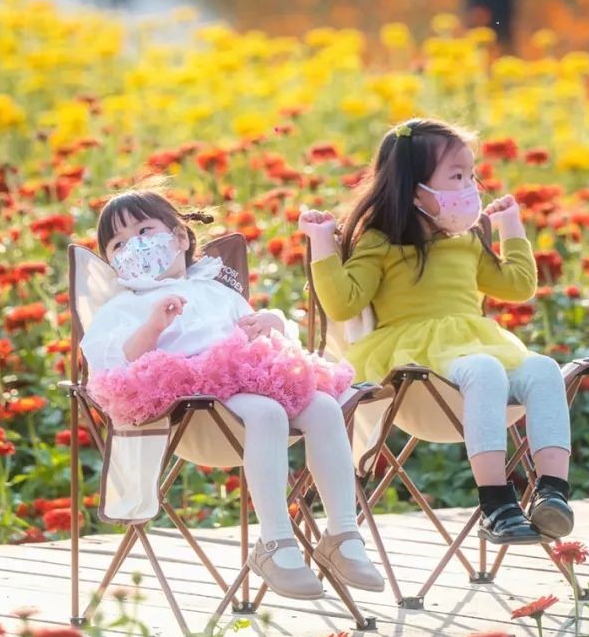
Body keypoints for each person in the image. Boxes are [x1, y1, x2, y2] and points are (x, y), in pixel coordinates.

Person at [81, 189, 385, 602]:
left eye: (144, 230)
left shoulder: (216, 289)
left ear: (181, 238)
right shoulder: (124, 307)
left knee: (325, 407)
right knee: (266, 413)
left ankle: (343, 533)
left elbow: (255, 332)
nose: (134, 245)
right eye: (118, 243)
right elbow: (115, 364)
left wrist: (272, 320)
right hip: (193, 410)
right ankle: (275, 542)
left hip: (251, 383)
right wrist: (153, 325)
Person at [299, 116, 574, 547]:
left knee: (543, 369)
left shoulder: (465, 241)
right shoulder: (381, 241)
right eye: (456, 176)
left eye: (471, 175)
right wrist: (321, 242)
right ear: (414, 187)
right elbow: (343, 302)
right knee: (483, 369)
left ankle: (552, 492)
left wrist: (511, 230)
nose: (470, 187)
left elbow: (518, 287)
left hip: (474, 348)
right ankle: (497, 503)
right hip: (416, 368)